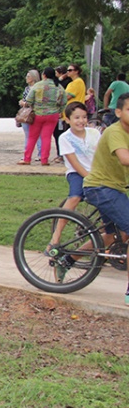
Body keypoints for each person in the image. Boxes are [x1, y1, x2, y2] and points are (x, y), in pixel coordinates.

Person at [80, 93, 129, 306]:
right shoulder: (115, 131)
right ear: (118, 112)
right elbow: (125, 158)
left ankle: (66, 260)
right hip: (101, 188)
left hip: (115, 189)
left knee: (111, 237)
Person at [57, 102, 100, 216]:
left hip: (96, 172)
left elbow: (102, 154)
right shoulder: (65, 138)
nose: (81, 121)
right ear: (67, 120)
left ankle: (105, 231)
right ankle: (57, 232)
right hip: (76, 173)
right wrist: (90, 178)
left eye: (84, 117)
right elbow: (75, 163)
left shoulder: (94, 133)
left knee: (109, 198)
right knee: (75, 197)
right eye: (76, 118)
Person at [20, 67, 65, 166]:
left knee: (32, 137)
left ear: (44, 75)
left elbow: (29, 100)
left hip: (38, 114)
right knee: (46, 137)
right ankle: (44, 160)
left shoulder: (38, 85)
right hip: (53, 115)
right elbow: (63, 102)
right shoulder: (59, 86)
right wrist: (59, 111)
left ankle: (27, 159)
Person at [19, 69, 41, 158]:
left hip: (33, 112)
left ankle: (40, 154)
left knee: (37, 135)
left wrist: (24, 103)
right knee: (28, 135)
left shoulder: (36, 88)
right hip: (27, 112)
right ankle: (27, 154)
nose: (26, 78)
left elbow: (34, 101)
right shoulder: (27, 88)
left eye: (28, 76)